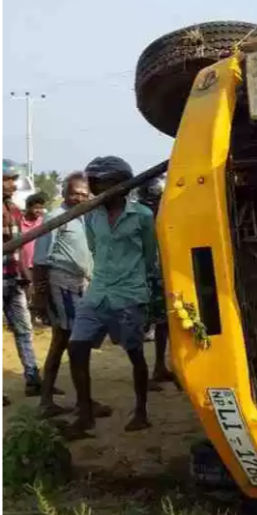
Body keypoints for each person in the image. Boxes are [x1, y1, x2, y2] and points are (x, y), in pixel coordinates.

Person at [66, 156, 157, 436]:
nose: (96, 188)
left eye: (102, 182)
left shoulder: (142, 215)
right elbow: (94, 249)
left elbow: (149, 254)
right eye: (94, 183)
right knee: (76, 348)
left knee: (135, 355)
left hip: (129, 295)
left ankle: (141, 410)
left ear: (121, 184)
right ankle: (85, 414)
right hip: (98, 294)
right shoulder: (91, 214)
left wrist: (145, 288)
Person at [32, 173, 92, 418]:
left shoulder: (84, 218)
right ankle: (76, 402)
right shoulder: (56, 217)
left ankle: (79, 399)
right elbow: (40, 260)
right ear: (66, 193)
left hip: (81, 285)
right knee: (69, 342)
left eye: (83, 193)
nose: (79, 197)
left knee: (67, 341)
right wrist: (41, 296)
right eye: (75, 192)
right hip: (63, 285)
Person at [3, 159, 41, 400]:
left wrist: (27, 279)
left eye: (13, 180)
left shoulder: (14, 211)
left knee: (24, 330)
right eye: (7, 180)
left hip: (13, 280)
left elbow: (19, 249)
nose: (12, 185)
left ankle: (33, 378)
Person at [136, 177, 172, 388]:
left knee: (163, 323)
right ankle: (142, 374)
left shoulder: (163, 212)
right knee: (141, 324)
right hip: (141, 277)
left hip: (160, 275)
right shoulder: (138, 216)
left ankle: (159, 367)